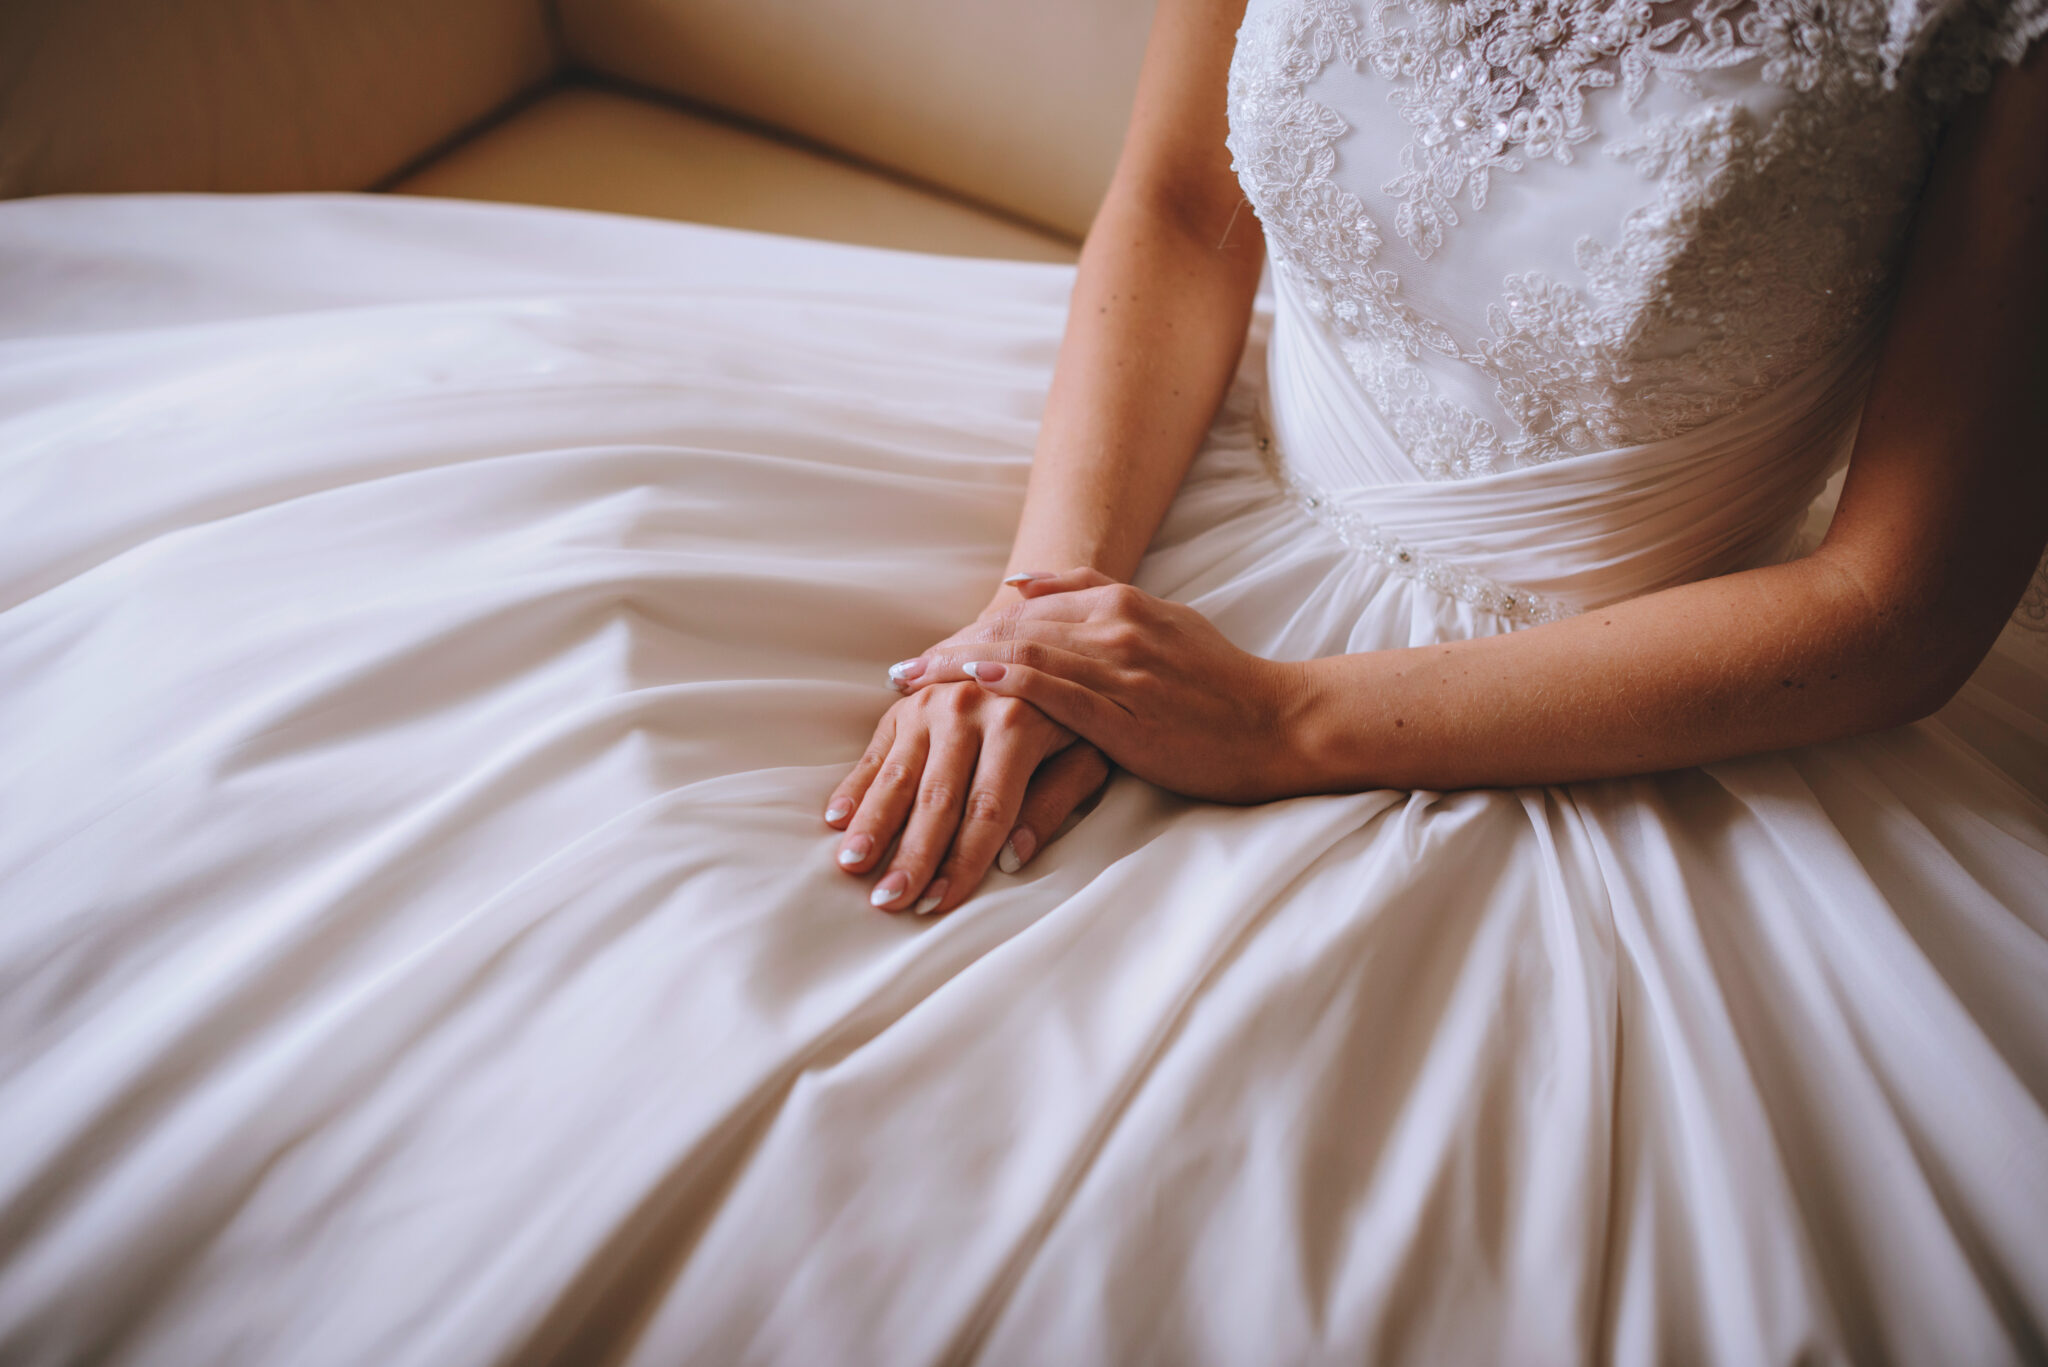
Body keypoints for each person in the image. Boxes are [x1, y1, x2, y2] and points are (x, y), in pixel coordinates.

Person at [0, 0, 2043, 1362]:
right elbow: (1174, 207)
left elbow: (1893, 605)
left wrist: (1286, 724)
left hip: (1631, 670)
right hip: (1177, 461)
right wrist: (1044, 600)